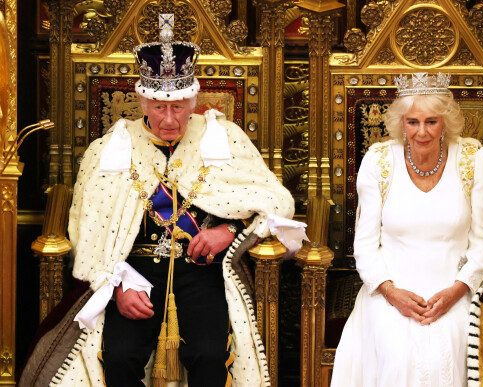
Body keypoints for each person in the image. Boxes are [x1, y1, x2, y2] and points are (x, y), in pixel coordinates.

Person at [37, 15, 294, 387]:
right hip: (133, 273)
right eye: (159, 106)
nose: (169, 119)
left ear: (194, 100)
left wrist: (231, 229)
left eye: (178, 106)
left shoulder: (223, 136)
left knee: (209, 355)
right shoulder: (109, 148)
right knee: (121, 356)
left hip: (201, 270)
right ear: (142, 100)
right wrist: (117, 285)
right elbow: (87, 229)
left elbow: (275, 201)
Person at [331, 73, 483, 386]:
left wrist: (457, 291)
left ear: (446, 122)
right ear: (401, 123)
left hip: (454, 290)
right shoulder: (378, 162)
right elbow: (365, 247)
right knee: (398, 353)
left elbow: (482, 246)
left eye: (431, 122)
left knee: (453, 350)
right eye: (413, 122)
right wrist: (391, 292)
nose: (421, 132)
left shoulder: (472, 159)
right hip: (390, 291)